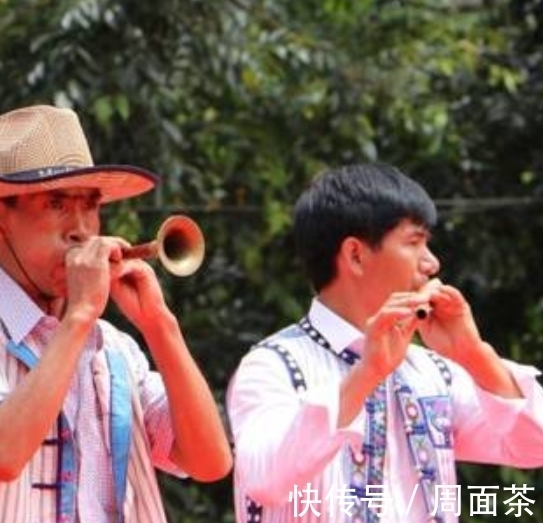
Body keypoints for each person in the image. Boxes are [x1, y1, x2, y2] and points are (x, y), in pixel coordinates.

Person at [0, 104, 232, 523]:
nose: (82, 228)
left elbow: (211, 462)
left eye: (90, 205)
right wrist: (79, 316)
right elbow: (2, 454)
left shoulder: (114, 347)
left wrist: (160, 326)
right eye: (56, 203)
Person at [226, 163, 543, 523]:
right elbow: (264, 478)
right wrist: (367, 373)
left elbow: (534, 446)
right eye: (414, 242)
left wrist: (473, 354)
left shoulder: (432, 370)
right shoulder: (274, 365)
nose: (432, 263)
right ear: (356, 255)